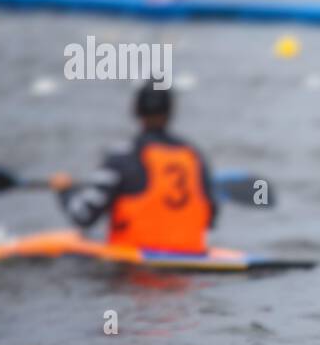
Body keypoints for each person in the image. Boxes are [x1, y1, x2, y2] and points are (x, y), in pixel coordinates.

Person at [48, 83, 216, 253]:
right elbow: (211, 217)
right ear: (171, 112)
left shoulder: (122, 157)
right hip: (190, 260)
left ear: (136, 111)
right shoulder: (194, 156)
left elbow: (83, 215)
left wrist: (65, 191)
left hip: (133, 270)